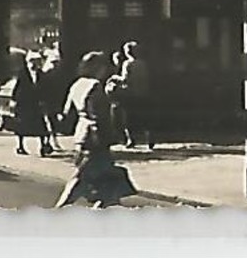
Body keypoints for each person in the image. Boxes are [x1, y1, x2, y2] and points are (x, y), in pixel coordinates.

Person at [54, 52, 137, 208]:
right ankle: (60, 208)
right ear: (96, 67)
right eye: (102, 67)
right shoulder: (95, 86)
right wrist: (108, 135)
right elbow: (98, 115)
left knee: (105, 177)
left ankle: (103, 205)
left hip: (81, 134)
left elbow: (66, 112)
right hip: (95, 137)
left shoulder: (77, 84)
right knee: (83, 177)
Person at [10, 51, 52, 156]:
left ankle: (43, 146)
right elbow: (17, 89)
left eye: (36, 62)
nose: (33, 64)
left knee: (41, 127)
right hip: (24, 104)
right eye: (31, 62)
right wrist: (14, 101)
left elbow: (45, 89)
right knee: (22, 127)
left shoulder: (42, 75)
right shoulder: (22, 74)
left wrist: (45, 100)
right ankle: (20, 146)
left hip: (36, 104)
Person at [116, 40, 152, 149]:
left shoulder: (127, 64)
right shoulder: (143, 64)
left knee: (128, 118)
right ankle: (149, 138)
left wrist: (115, 79)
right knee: (144, 117)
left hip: (130, 93)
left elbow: (125, 79)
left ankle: (131, 139)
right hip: (143, 92)